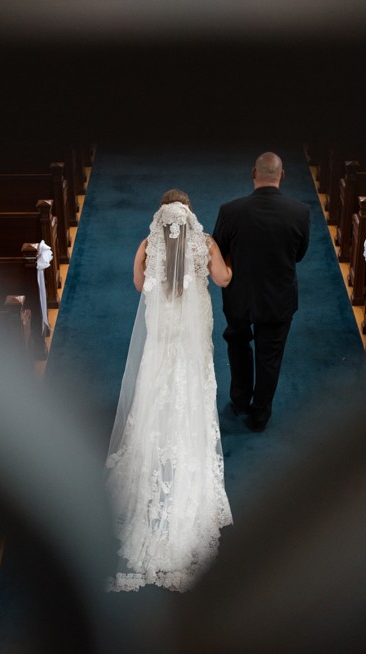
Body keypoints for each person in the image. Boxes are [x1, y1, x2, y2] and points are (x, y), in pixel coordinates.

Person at [105, 189, 234, 592]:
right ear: (190, 215)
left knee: (155, 391)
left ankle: (151, 450)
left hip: (162, 340)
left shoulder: (147, 245)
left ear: (161, 216)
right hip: (191, 344)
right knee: (191, 392)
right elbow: (223, 279)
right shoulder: (205, 243)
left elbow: (138, 284)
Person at [212, 152, 310, 432]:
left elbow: (217, 250)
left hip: (239, 296)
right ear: (283, 175)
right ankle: (260, 416)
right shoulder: (300, 212)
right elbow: (299, 255)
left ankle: (240, 401)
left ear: (253, 173)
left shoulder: (230, 211)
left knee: (238, 345)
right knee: (270, 358)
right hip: (278, 298)